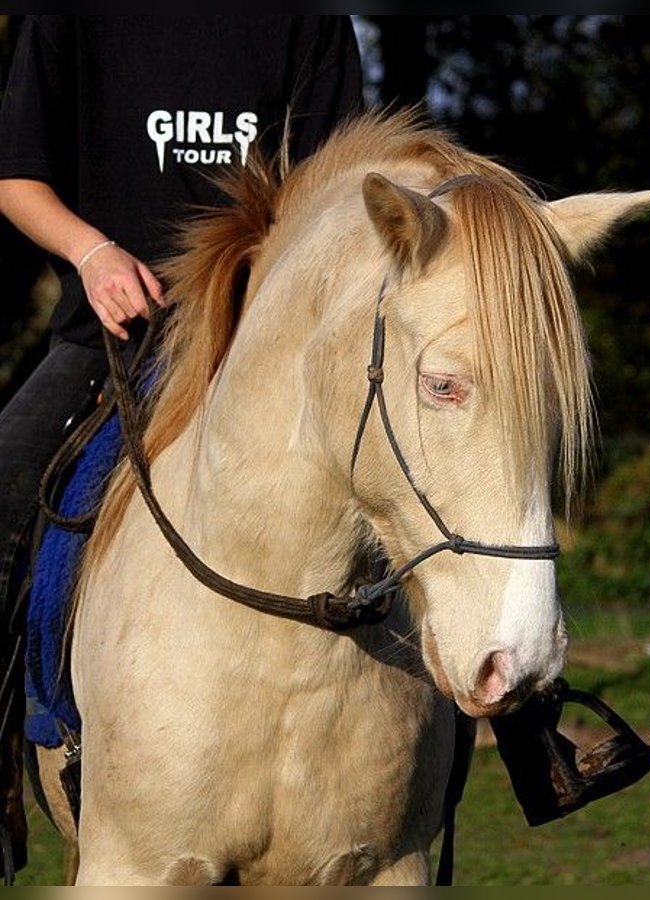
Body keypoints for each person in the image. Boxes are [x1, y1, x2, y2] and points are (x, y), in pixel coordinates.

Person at [0, 15, 364, 878]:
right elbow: (16, 180)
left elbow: (334, 190)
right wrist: (92, 256)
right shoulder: (69, 20)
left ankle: (527, 731)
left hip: (262, 351)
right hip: (111, 347)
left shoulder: (307, 22)